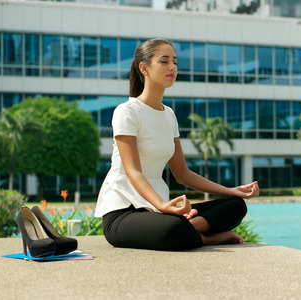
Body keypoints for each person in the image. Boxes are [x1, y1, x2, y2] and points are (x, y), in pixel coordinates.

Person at [95, 38, 260, 251]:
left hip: (158, 213)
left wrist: (230, 191)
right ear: (144, 68)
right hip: (123, 212)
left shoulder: (169, 115)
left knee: (235, 206)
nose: (172, 67)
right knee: (172, 228)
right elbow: (133, 171)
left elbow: (183, 174)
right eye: (164, 61)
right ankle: (205, 237)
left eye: (174, 61)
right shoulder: (127, 112)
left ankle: (190, 228)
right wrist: (162, 206)